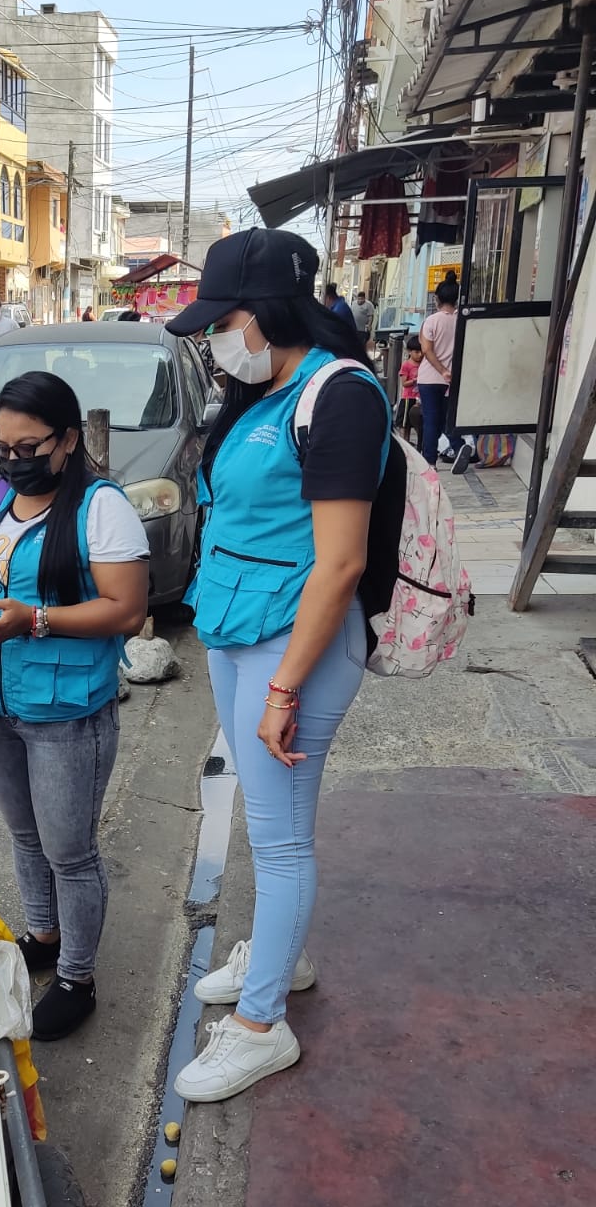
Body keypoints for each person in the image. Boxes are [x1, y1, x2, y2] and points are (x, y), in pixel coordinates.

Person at [166, 227, 401, 1101]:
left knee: (281, 834)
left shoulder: (341, 397)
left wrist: (284, 687)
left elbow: (339, 564)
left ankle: (262, 1026)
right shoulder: (258, 392)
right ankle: (279, 954)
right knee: (268, 817)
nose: (214, 339)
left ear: (268, 311)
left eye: (222, 321)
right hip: (237, 626)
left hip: (296, 644)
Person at [0, 371, 149, 1041]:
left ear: (69, 440)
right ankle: (44, 935)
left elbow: (127, 609)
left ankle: (78, 978)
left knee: (69, 851)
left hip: (67, 712)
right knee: (25, 837)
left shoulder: (100, 508)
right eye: (2, 447)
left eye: (30, 447)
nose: (14, 459)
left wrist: (35, 620)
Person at [416, 275, 463, 468]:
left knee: (430, 420)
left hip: (429, 378)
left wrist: (442, 370)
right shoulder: (462, 320)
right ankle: (459, 446)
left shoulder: (431, 321)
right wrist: (448, 372)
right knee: (445, 418)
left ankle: (430, 461)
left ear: (437, 299)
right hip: (451, 379)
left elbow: (426, 350)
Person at [396, 334, 422, 447]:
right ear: (410, 352)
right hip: (408, 397)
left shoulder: (423, 364)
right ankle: (404, 443)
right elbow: (404, 383)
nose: (420, 355)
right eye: (417, 352)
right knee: (405, 424)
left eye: (421, 352)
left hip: (419, 398)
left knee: (417, 423)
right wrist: (415, 380)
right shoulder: (406, 365)